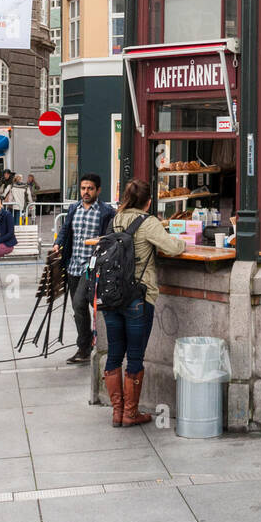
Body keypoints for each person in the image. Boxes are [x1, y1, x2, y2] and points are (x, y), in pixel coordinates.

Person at [102, 181, 186, 427]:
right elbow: (172, 247)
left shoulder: (114, 220)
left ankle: (117, 412)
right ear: (148, 201)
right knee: (135, 356)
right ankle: (131, 413)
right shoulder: (148, 222)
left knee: (114, 354)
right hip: (138, 297)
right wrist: (183, 241)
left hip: (112, 296)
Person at [56, 174, 114, 364]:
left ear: (98, 190)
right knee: (78, 308)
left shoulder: (106, 211)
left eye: (90, 188)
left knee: (80, 303)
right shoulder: (74, 208)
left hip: (92, 265)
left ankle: (85, 346)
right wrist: (58, 243)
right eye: (83, 188)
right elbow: (65, 230)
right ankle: (88, 343)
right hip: (73, 264)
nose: (86, 192)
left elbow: (111, 236)